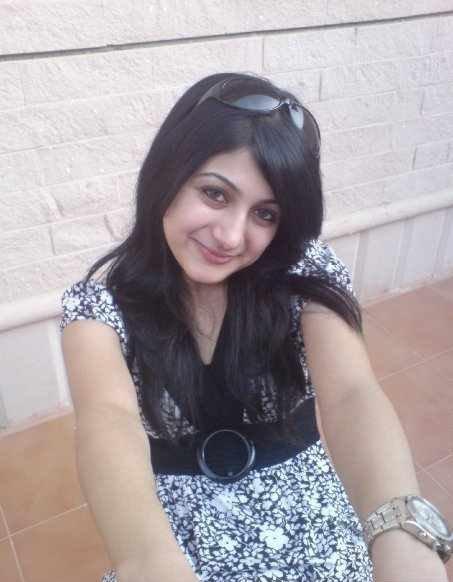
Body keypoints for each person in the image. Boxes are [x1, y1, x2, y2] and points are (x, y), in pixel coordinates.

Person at [60, 73, 450, 582]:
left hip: (310, 522)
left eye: (265, 214)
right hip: (175, 536)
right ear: (167, 174)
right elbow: (107, 421)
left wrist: (399, 530)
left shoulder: (301, 274)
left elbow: (352, 393)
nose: (231, 236)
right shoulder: (98, 307)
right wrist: (148, 559)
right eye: (215, 194)